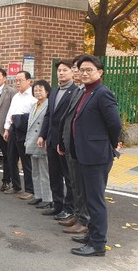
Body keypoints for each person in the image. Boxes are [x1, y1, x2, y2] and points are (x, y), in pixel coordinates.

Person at [68, 55, 121, 257]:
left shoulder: (102, 93)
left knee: (95, 200)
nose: (84, 73)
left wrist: (110, 144)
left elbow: (114, 124)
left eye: (89, 70)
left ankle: (98, 244)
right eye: (82, 70)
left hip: (96, 155)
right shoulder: (86, 92)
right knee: (90, 199)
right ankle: (92, 234)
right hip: (84, 154)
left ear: (100, 72)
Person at [37, 60, 78, 220]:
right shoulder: (54, 92)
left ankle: (69, 208)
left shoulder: (75, 92)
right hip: (52, 140)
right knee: (54, 175)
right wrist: (43, 135)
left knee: (68, 177)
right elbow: (48, 115)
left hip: (66, 142)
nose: (61, 73)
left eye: (65, 70)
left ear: (72, 72)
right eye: (59, 70)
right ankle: (57, 204)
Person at [57, 55, 90, 234]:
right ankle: (78, 216)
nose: (78, 71)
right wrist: (63, 141)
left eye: (80, 68)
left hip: (82, 148)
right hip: (70, 145)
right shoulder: (79, 90)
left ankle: (84, 220)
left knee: (83, 187)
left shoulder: (94, 92)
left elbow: (113, 124)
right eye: (77, 68)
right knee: (75, 184)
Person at [2, 71, 37, 199]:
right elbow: (10, 113)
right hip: (13, 129)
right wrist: (6, 129)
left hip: (25, 130)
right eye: (16, 80)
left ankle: (30, 189)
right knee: (11, 158)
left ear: (29, 81)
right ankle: (16, 185)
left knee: (26, 161)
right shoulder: (16, 96)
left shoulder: (33, 96)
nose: (17, 82)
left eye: (20, 80)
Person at [24, 80, 52, 209]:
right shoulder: (34, 105)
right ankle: (38, 196)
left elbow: (47, 124)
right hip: (32, 141)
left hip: (42, 142)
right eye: (35, 90)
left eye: (41, 90)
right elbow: (30, 126)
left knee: (44, 172)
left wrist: (44, 137)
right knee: (35, 172)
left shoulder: (49, 104)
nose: (38, 92)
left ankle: (47, 198)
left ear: (47, 91)